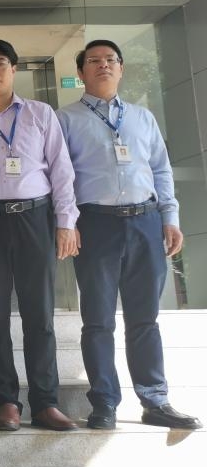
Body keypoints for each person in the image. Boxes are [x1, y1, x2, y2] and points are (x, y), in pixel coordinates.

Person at [56, 39, 202, 430]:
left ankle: (155, 400)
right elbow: (61, 177)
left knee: (145, 319)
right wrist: (67, 223)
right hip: (96, 224)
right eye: (93, 60)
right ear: (81, 72)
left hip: (145, 222)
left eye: (110, 59)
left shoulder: (142, 117)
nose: (103, 65)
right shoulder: (65, 119)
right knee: (98, 320)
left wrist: (170, 217)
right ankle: (104, 403)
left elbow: (161, 170)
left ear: (121, 68)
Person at [0, 39, 79, 432]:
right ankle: (6, 402)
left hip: (34, 218)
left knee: (40, 315)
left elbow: (61, 170)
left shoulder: (41, 114)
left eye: (1, 63)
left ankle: (46, 403)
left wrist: (66, 221)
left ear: (14, 69)